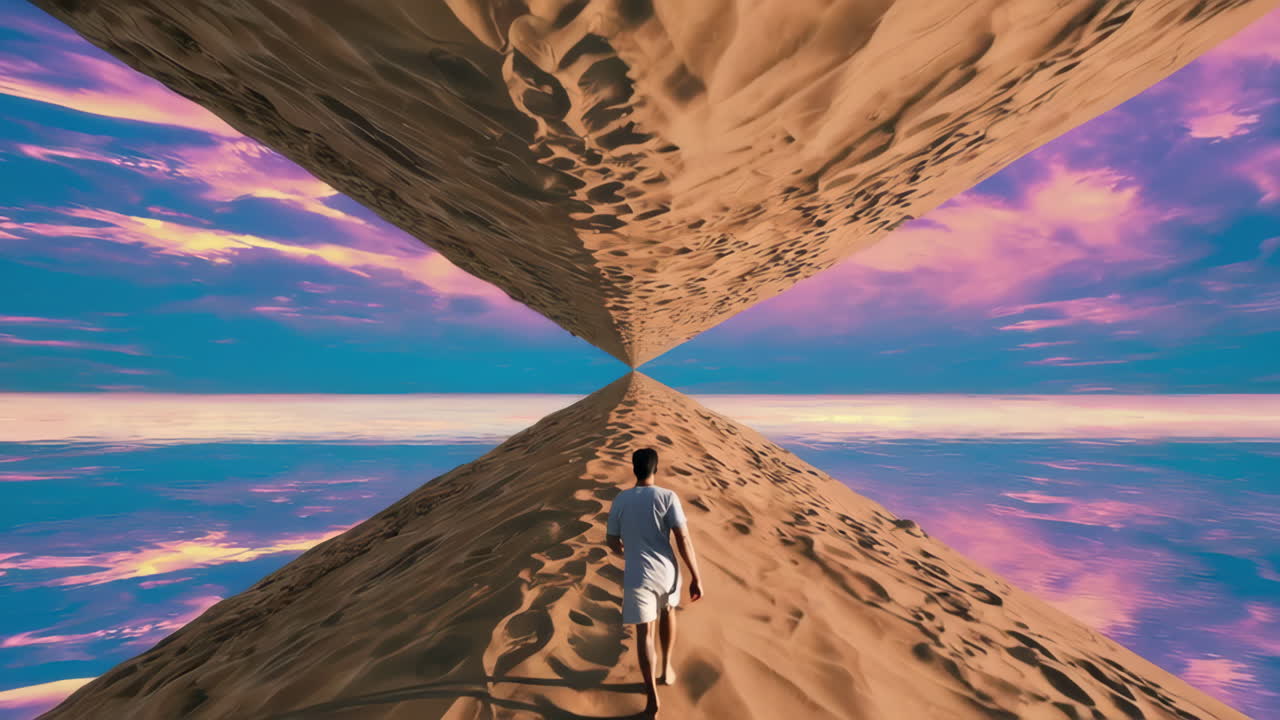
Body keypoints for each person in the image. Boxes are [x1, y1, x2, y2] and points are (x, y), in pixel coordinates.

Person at [605, 447, 704, 717]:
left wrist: (626, 551)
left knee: (644, 636)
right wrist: (696, 576)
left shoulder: (621, 500)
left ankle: (652, 700)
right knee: (668, 611)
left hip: (638, 575)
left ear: (634, 469)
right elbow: (683, 539)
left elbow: (611, 540)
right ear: (655, 469)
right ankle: (667, 668)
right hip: (668, 573)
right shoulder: (667, 496)